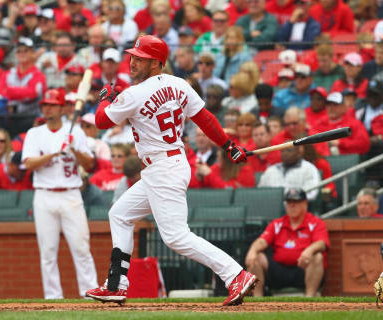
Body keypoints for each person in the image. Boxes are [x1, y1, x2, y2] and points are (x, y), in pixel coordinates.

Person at [85, 35, 256, 306]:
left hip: (163, 168)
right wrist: (228, 145)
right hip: (169, 165)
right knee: (119, 214)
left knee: (176, 237)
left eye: (140, 58)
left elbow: (101, 121)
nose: (132, 62)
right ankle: (117, 284)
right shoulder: (179, 84)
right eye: (132, 56)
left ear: (156, 63)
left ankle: (235, 274)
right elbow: (206, 119)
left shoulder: (134, 93)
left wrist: (105, 99)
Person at [22, 88, 98, 299]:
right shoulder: (34, 133)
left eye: (53, 105)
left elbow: (90, 164)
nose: (48, 109)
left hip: (71, 194)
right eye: (45, 105)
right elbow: (29, 163)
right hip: (44, 194)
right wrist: (54, 153)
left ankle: (89, 293)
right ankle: (52, 297)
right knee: (47, 252)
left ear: (62, 107)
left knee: (81, 247)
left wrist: (73, 148)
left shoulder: (76, 132)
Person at [245, 188, 329, 297]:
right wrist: (252, 251)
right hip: (278, 271)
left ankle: (309, 298)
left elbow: (322, 243)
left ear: (305, 204)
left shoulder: (315, 223)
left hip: (302, 270)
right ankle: (257, 300)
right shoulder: (277, 223)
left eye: (296, 202)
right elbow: (262, 241)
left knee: (317, 257)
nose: (292, 206)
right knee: (256, 257)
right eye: (289, 202)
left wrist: (309, 250)